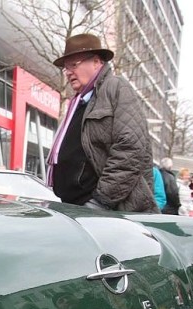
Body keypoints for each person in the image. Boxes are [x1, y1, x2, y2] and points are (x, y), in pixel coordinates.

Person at [47, 33, 157, 213]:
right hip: (74, 206)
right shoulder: (79, 102)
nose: (68, 72)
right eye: (65, 68)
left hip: (102, 210)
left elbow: (130, 149)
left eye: (73, 64)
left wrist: (101, 201)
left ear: (97, 62)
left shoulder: (116, 89)